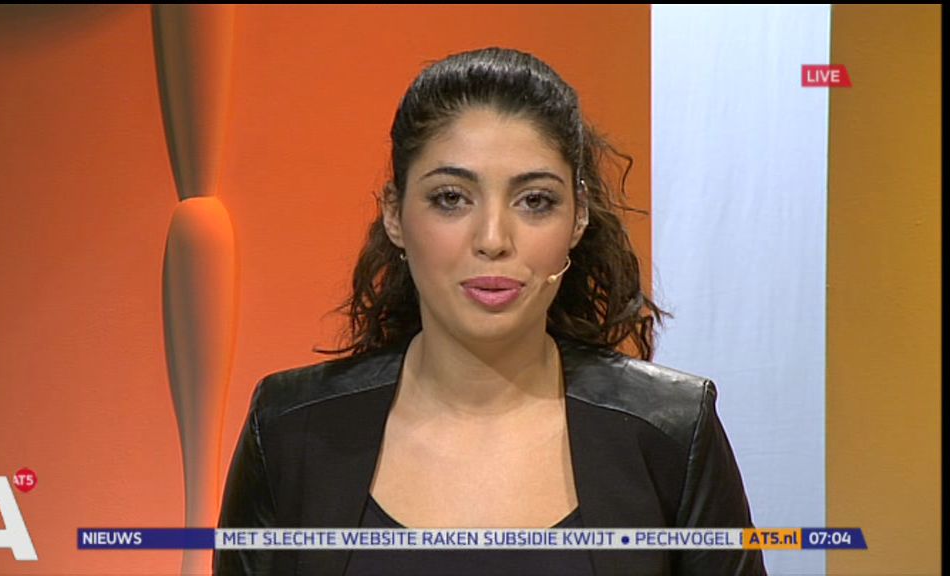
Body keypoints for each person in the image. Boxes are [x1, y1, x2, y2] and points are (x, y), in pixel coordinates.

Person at [215, 47, 765, 575]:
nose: (493, 239)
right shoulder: (290, 428)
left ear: (578, 218)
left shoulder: (670, 430)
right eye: (452, 198)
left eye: (535, 201)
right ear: (395, 215)